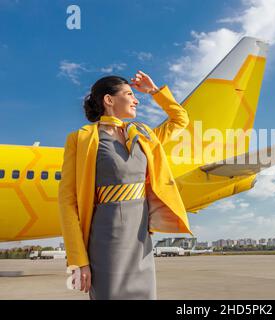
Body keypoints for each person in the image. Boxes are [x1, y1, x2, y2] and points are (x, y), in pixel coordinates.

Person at [58, 71, 193, 300]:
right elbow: (67, 202)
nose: (136, 99)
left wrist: (154, 91)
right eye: (129, 94)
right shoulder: (80, 139)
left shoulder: (143, 133)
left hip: (141, 242)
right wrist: (79, 260)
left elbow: (181, 119)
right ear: (109, 100)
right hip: (105, 243)